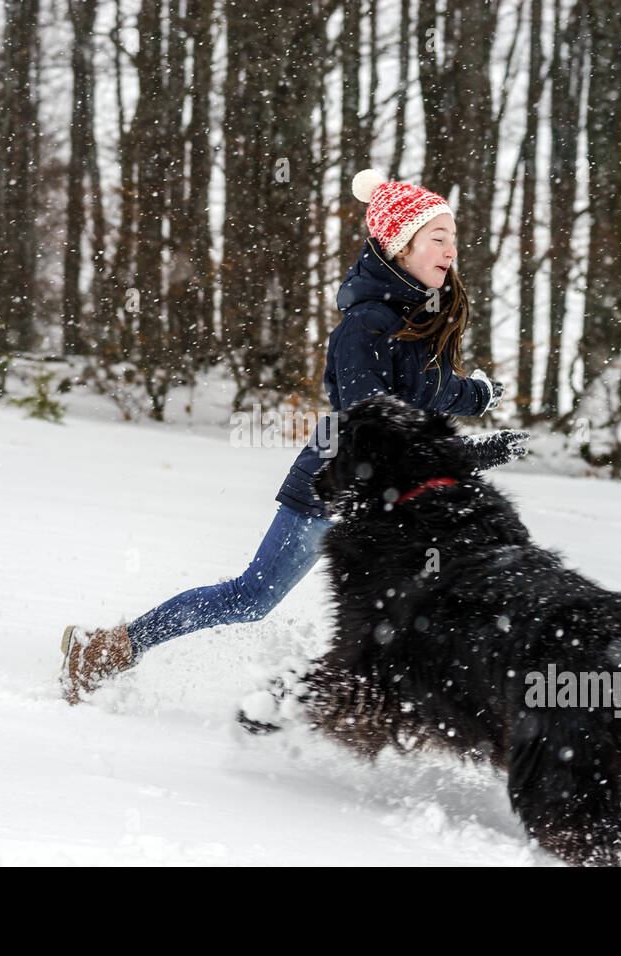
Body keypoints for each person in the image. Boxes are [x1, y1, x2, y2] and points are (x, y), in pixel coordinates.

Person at [60, 168, 526, 704]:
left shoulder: (416, 317)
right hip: (336, 486)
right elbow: (366, 422)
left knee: (423, 601)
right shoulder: (367, 325)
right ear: (399, 246)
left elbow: (428, 389)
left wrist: (477, 397)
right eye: (438, 238)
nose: (451, 250)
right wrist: (463, 456)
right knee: (251, 597)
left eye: (454, 240)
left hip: (394, 497)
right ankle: (107, 649)